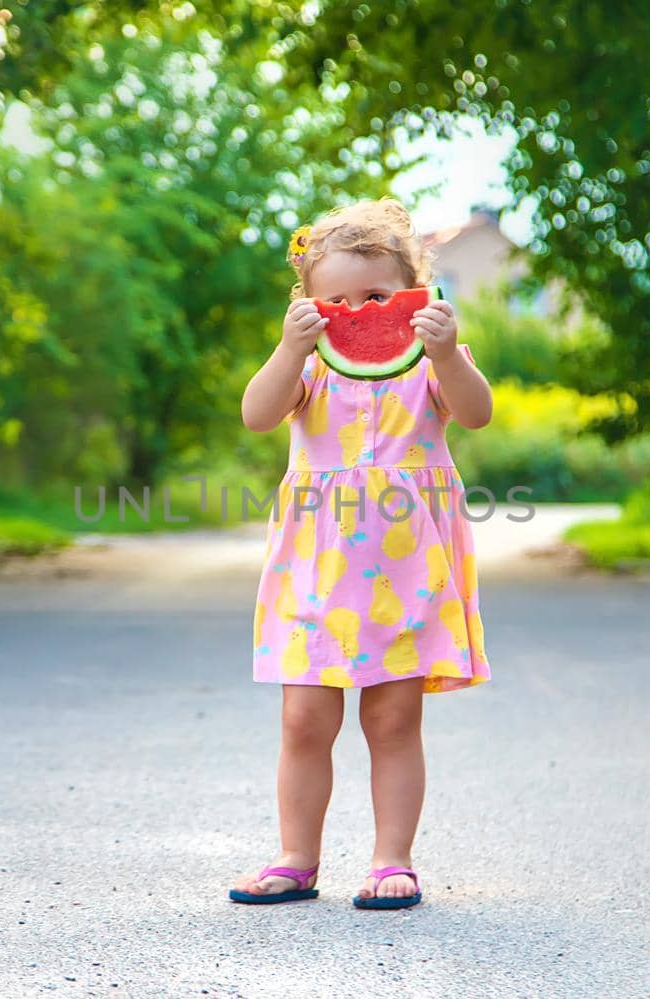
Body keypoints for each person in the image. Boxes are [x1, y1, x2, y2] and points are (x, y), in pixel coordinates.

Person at [230, 197, 493, 910]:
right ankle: (295, 855)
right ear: (309, 304)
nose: (357, 310)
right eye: (336, 299)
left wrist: (443, 350)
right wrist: (290, 347)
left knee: (393, 719)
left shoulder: (431, 361)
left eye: (375, 296)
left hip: (406, 571)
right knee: (303, 720)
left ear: (410, 291)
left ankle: (391, 858)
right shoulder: (310, 365)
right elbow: (257, 414)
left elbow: (475, 411)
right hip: (316, 568)